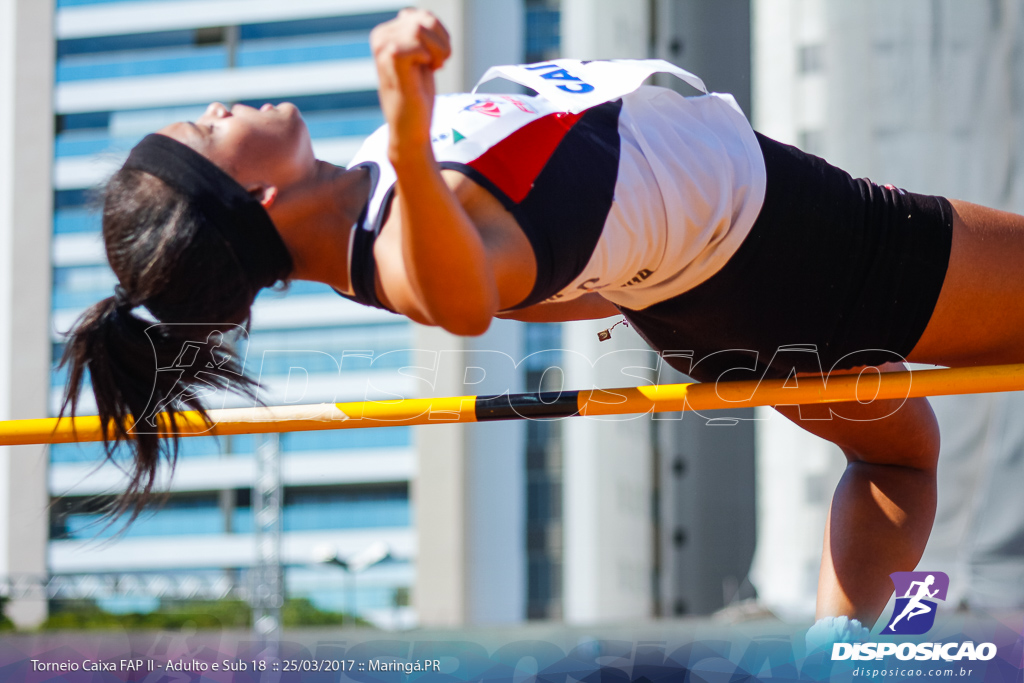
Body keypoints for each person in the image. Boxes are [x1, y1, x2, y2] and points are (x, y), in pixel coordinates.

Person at [59, 8, 1024, 628]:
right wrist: (406, 114)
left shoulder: (370, 189)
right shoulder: (396, 241)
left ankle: (841, 652)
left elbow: (536, 255)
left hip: (710, 287)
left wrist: (641, 269)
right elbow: (463, 298)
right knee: (904, 453)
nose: (222, 103)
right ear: (252, 198)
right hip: (791, 248)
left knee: (898, 460)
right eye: (207, 127)